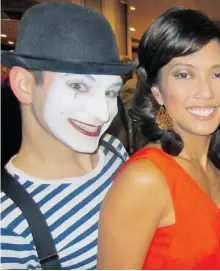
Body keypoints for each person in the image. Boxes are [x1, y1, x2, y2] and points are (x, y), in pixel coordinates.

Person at [97, 8, 220, 269]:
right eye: (184, 74)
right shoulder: (145, 179)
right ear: (158, 93)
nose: (206, 91)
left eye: (218, 73)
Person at [0, 3, 133, 269]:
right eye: (78, 86)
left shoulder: (114, 150)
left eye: (110, 92)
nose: (103, 113)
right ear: (24, 85)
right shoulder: (7, 222)